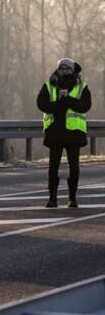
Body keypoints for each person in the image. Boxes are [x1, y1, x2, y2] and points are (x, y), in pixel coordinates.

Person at [37, 58, 91, 208]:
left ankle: (72, 199)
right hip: (55, 132)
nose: (65, 71)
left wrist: (68, 99)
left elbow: (85, 106)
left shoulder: (82, 86)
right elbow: (42, 104)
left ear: (73, 70)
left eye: (68, 69)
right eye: (62, 68)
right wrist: (60, 103)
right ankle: (52, 199)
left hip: (74, 133)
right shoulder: (48, 85)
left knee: (74, 166)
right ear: (57, 70)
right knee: (53, 167)